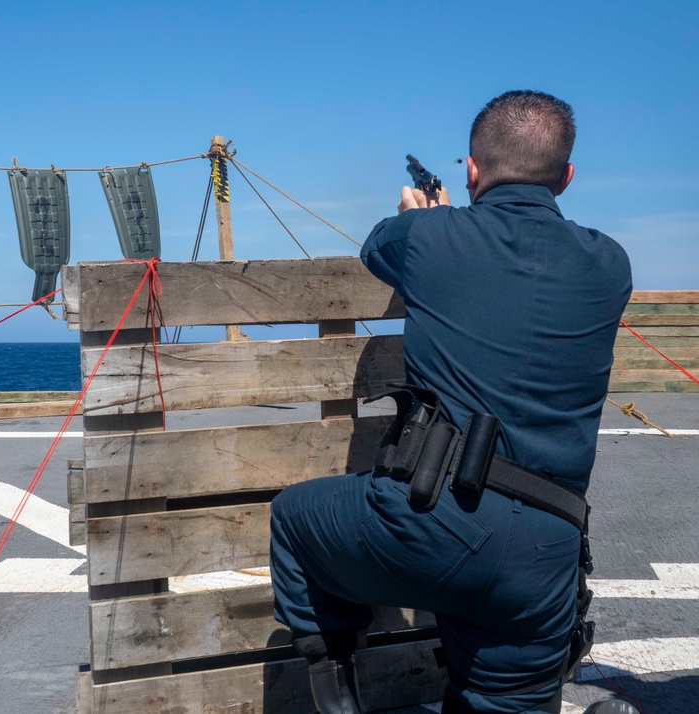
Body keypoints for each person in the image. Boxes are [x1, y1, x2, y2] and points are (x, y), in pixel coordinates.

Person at [269, 90, 634, 713]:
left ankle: (338, 691)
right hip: (548, 552)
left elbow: (379, 246)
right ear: (566, 178)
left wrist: (426, 213)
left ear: (471, 170)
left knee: (294, 518)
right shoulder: (610, 263)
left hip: (429, 521)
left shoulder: (428, 236)